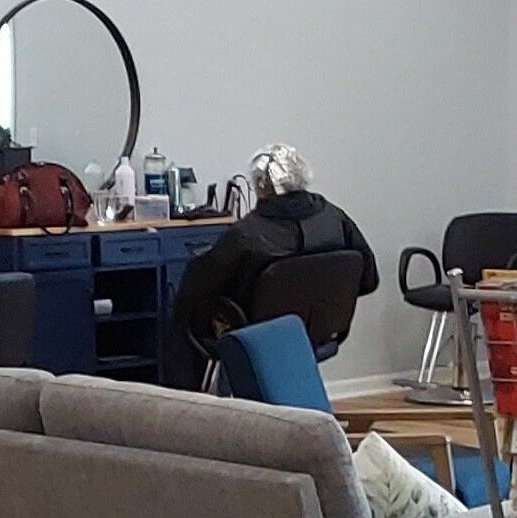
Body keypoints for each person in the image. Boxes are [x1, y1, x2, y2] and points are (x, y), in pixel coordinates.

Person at [162, 144, 378, 390]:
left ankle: (185, 405)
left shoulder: (246, 235)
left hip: (259, 340)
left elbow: (196, 289)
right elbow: (369, 280)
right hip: (317, 336)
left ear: (260, 185)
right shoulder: (336, 218)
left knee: (184, 313)